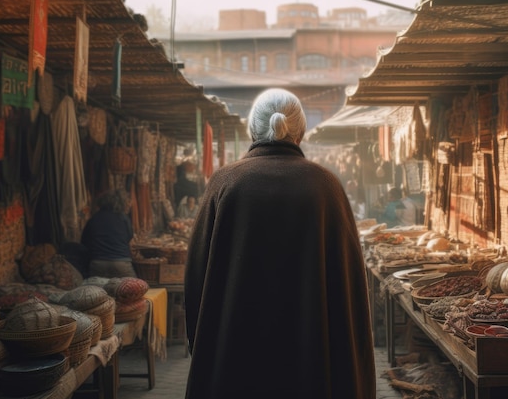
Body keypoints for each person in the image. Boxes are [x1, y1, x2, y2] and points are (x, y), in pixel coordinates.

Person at [184, 88, 375, 399]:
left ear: (252, 129)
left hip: (235, 357)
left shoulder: (225, 183)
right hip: (312, 361)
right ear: (299, 132)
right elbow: (350, 285)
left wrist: (204, 344)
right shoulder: (326, 187)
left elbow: (196, 277)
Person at [81, 189, 137, 278]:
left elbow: (84, 241)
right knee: (133, 290)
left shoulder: (94, 219)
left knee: (97, 291)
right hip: (121, 263)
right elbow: (129, 237)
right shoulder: (123, 218)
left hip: (98, 263)